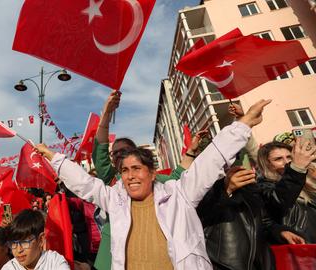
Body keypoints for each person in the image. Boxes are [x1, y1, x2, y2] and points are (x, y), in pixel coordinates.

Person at [37, 99, 272, 269]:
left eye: (137, 169)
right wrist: (53, 157)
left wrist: (243, 124)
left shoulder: (180, 193)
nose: (130, 176)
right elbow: (86, 184)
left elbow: (209, 162)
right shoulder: (114, 200)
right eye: (125, 170)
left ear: (152, 173)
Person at [92, 89, 207, 269]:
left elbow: (176, 178)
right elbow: (99, 151)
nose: (119, 156)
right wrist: (106, 114)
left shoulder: (153, 180)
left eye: (125, 152)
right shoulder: (112, 180)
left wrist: (191, 152)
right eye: (115, 153)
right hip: (111, 260)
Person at [257, 141, 316, 245]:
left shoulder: (307, 180)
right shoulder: (264, 186)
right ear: (267, 164)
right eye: (278, 159)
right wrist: (297, 169)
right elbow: (279, 201)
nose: (286, 162)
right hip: (302, 248)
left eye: (289, 157)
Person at [2, 209, 70, 270]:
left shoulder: (54, 261)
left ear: (41, 240)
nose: (19, 250)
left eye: (24, 242)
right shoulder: (10, 267)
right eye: (14, 243)